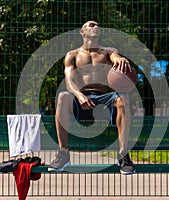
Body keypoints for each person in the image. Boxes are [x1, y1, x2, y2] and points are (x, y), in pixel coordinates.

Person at [48, 21, 135, 175]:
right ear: (82, 32)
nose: (96, 27)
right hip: (80, 97)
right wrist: (79, 95)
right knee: (62, 96)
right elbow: (69, 81)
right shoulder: (72, 55)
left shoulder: (108, 52)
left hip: (104, 97)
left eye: (98, 26)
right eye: (92, 25)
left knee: (123, 99)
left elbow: (115, 58)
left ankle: (122, 154)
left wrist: (120, 59)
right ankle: (63, 153)